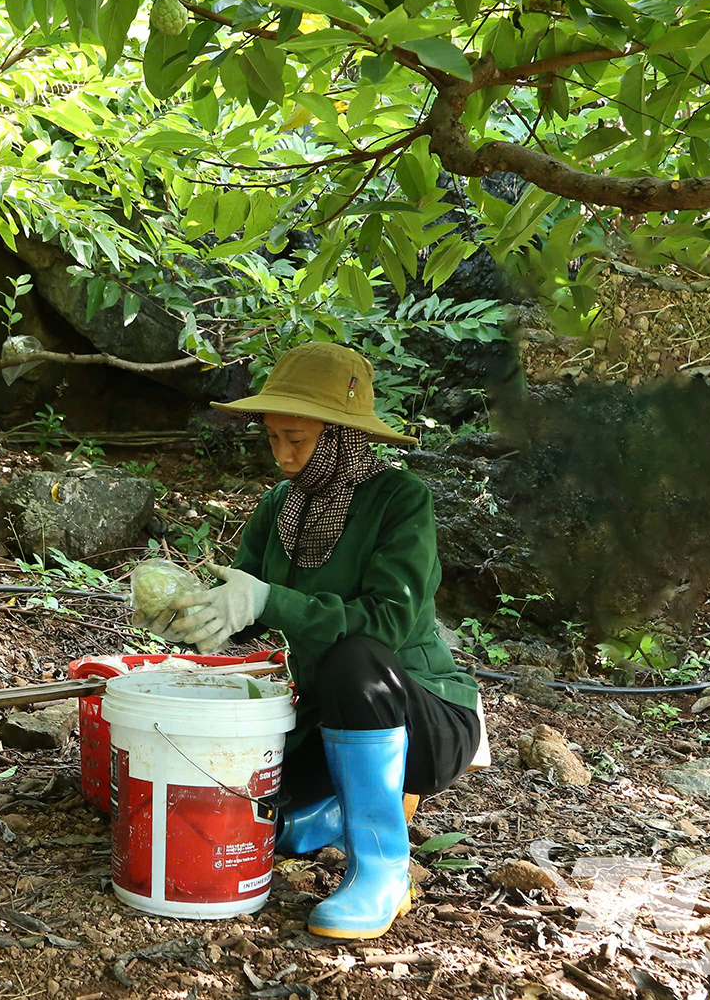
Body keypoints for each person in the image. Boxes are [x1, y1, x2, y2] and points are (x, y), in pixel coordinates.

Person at [141, 341, 480, 941]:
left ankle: (382, 871)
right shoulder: (281, 505)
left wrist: (269, 600)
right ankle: (328, 812)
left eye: (296, 437)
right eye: (273, 437)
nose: (283, 454)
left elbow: (385, 623)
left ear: (340, 435)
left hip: (423, 716)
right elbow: (249, 606)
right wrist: (199, 614)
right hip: (327, 720)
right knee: (253, 821)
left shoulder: (400, 501)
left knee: (356, 661)